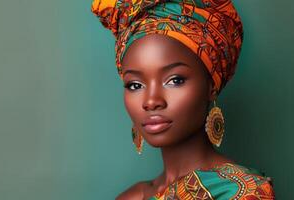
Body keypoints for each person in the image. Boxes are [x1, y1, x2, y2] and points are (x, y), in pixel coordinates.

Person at [91, 0, 276, 199]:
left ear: (211, 85)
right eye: (135, 85)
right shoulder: (132, 196)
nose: (151, 101)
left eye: (175, 80)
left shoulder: (243, 193)